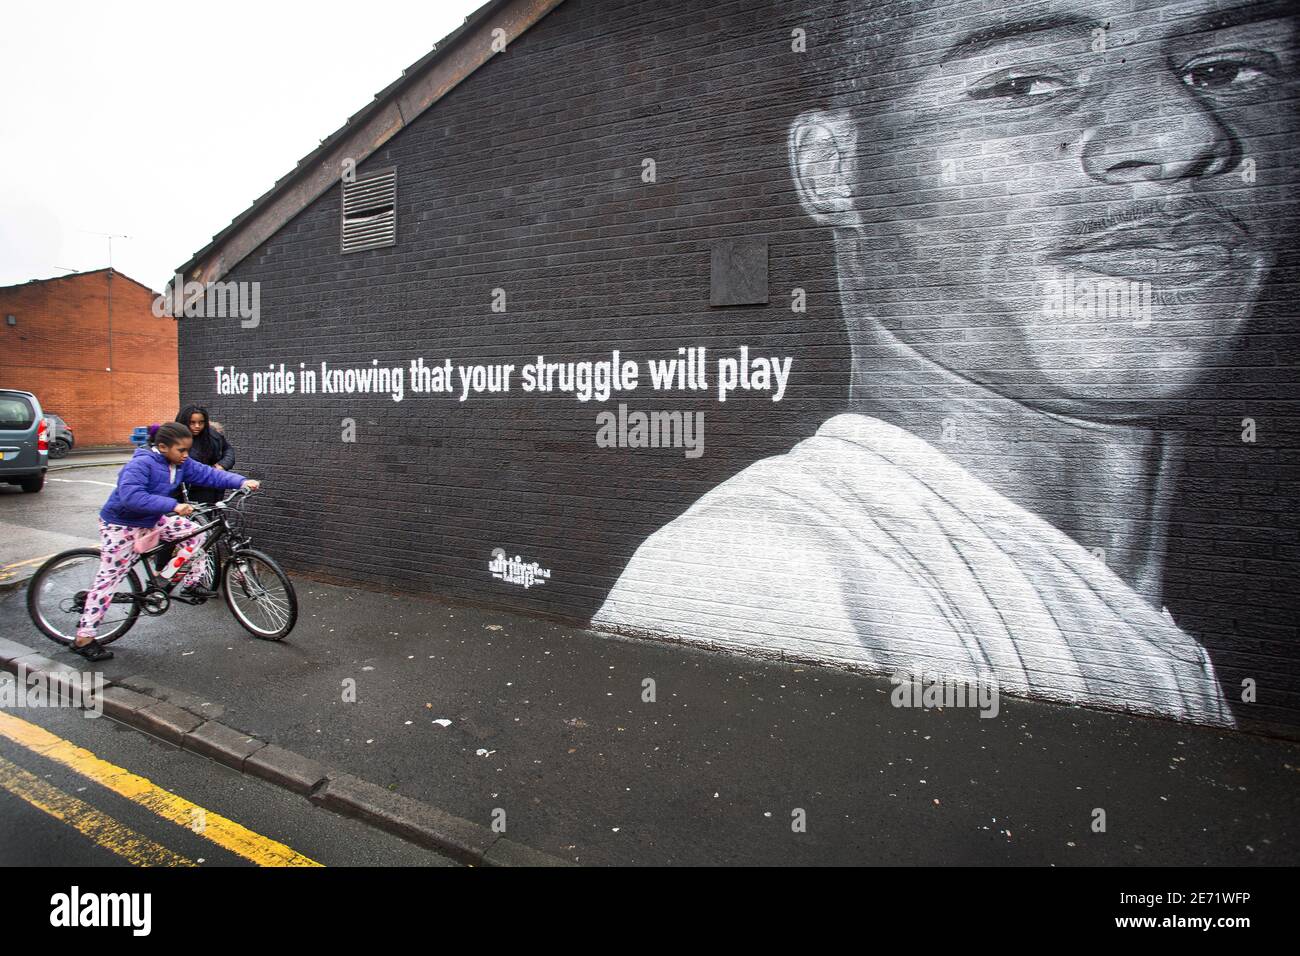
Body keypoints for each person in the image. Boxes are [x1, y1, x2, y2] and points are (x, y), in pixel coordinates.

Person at [595, 0, 1300, 727]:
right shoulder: (777, 586)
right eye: (1023, 86)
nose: (1184, 133)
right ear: (834, 170)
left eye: (1228, 69)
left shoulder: (1173, 604)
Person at [71, 421, 260, 661]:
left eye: (187, 450)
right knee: (108, 579)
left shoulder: (179, 464)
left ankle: (185, 583)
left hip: (151, 519)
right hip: (120, 525)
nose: (186, 455)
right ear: (162, 447)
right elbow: (131, 496)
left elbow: (208, 474)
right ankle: (84, 637)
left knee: (196, 533)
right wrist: (173, 505)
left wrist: (241, 481)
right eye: (181, 450)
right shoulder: (141, 464)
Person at [174, 405, 236, 505]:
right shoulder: (174, 439)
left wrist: (222, 465)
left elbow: (228, 449)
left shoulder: (212, 435)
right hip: (187, 491)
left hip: (211, 488)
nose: (197, 426)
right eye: (192, 422)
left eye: (201, 422)